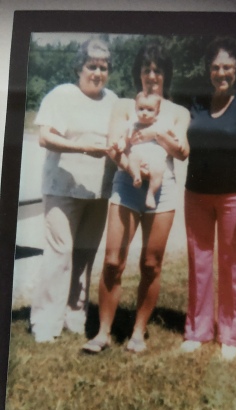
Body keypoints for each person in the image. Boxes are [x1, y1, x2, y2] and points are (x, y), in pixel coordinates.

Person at [82, 42, 190, 353]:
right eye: (146, 70)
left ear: (166, 75)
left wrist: (156, 134)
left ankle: (138, 333)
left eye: (157, 70)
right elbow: (115, 146)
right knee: (113, 260)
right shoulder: (124, 106)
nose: (152, 76)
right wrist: (130, 166)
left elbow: (182, 152)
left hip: (163, 188)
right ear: (138, 74)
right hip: (128, 184)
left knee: (151, 263)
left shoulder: (178, 112)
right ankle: (102, 333)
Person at [181, 37, 236, 360]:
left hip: (233, 196)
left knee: (233, 265)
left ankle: (230, 336)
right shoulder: (196, 103)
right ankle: (198, 331)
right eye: (216, 67)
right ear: (208, 70)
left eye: (227, 67)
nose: (221, 72)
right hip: (196, 195)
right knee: (199, 263)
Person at [30, 38, 118, 343]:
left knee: (84, 255)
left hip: (98, 191)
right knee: (59, 253)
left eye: (103, 67)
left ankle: (74, 315)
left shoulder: (113, 101)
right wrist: (82, 147)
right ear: (78, 68)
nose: (97, 72)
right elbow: (45, 137)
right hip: (62, 188)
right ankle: (45, 322)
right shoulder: (61, 95)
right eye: (91, 66)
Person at [117, 91, 168, 209]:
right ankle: (136, 176)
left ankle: (151, 194)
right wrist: (121, 143)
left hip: (156, 156)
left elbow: (169, 136)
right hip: (138, 154)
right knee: (132, 158)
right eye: (141, 109)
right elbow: (124, 137)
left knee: (159, 170)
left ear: (157, 112)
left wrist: (175, 139)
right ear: (135, 108)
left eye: (150, 110)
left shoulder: (160, 125)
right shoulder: (132, 125)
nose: (144, 113)